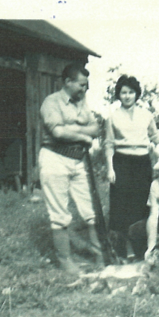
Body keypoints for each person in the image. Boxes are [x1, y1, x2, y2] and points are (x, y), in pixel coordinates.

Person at [39, 63, 103, 275]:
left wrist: (73, 129)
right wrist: (84, 135)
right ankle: (65, 260)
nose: (84, 90)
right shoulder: (51, 102)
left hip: (79, 161)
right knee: (60, 213)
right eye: (81, 85)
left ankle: (99, 254)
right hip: (55, 159)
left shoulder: (82, 103)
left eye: (86, 86)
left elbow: (96, 127)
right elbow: (57, 133)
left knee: (90, 211)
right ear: (67, 82)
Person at [104, 75, 159, 260]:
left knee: (140, 205)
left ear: (137, 94)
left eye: (131, 92)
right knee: (121, 207)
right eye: (123, 92)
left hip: (142, 162)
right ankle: (123, 250)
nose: (127, 96)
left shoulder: (146, 115)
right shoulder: (112, 117)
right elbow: (108, 144)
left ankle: (141, 248)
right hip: (121, 162)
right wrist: (110, 168)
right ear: (118, 94)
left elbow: (156, 136)